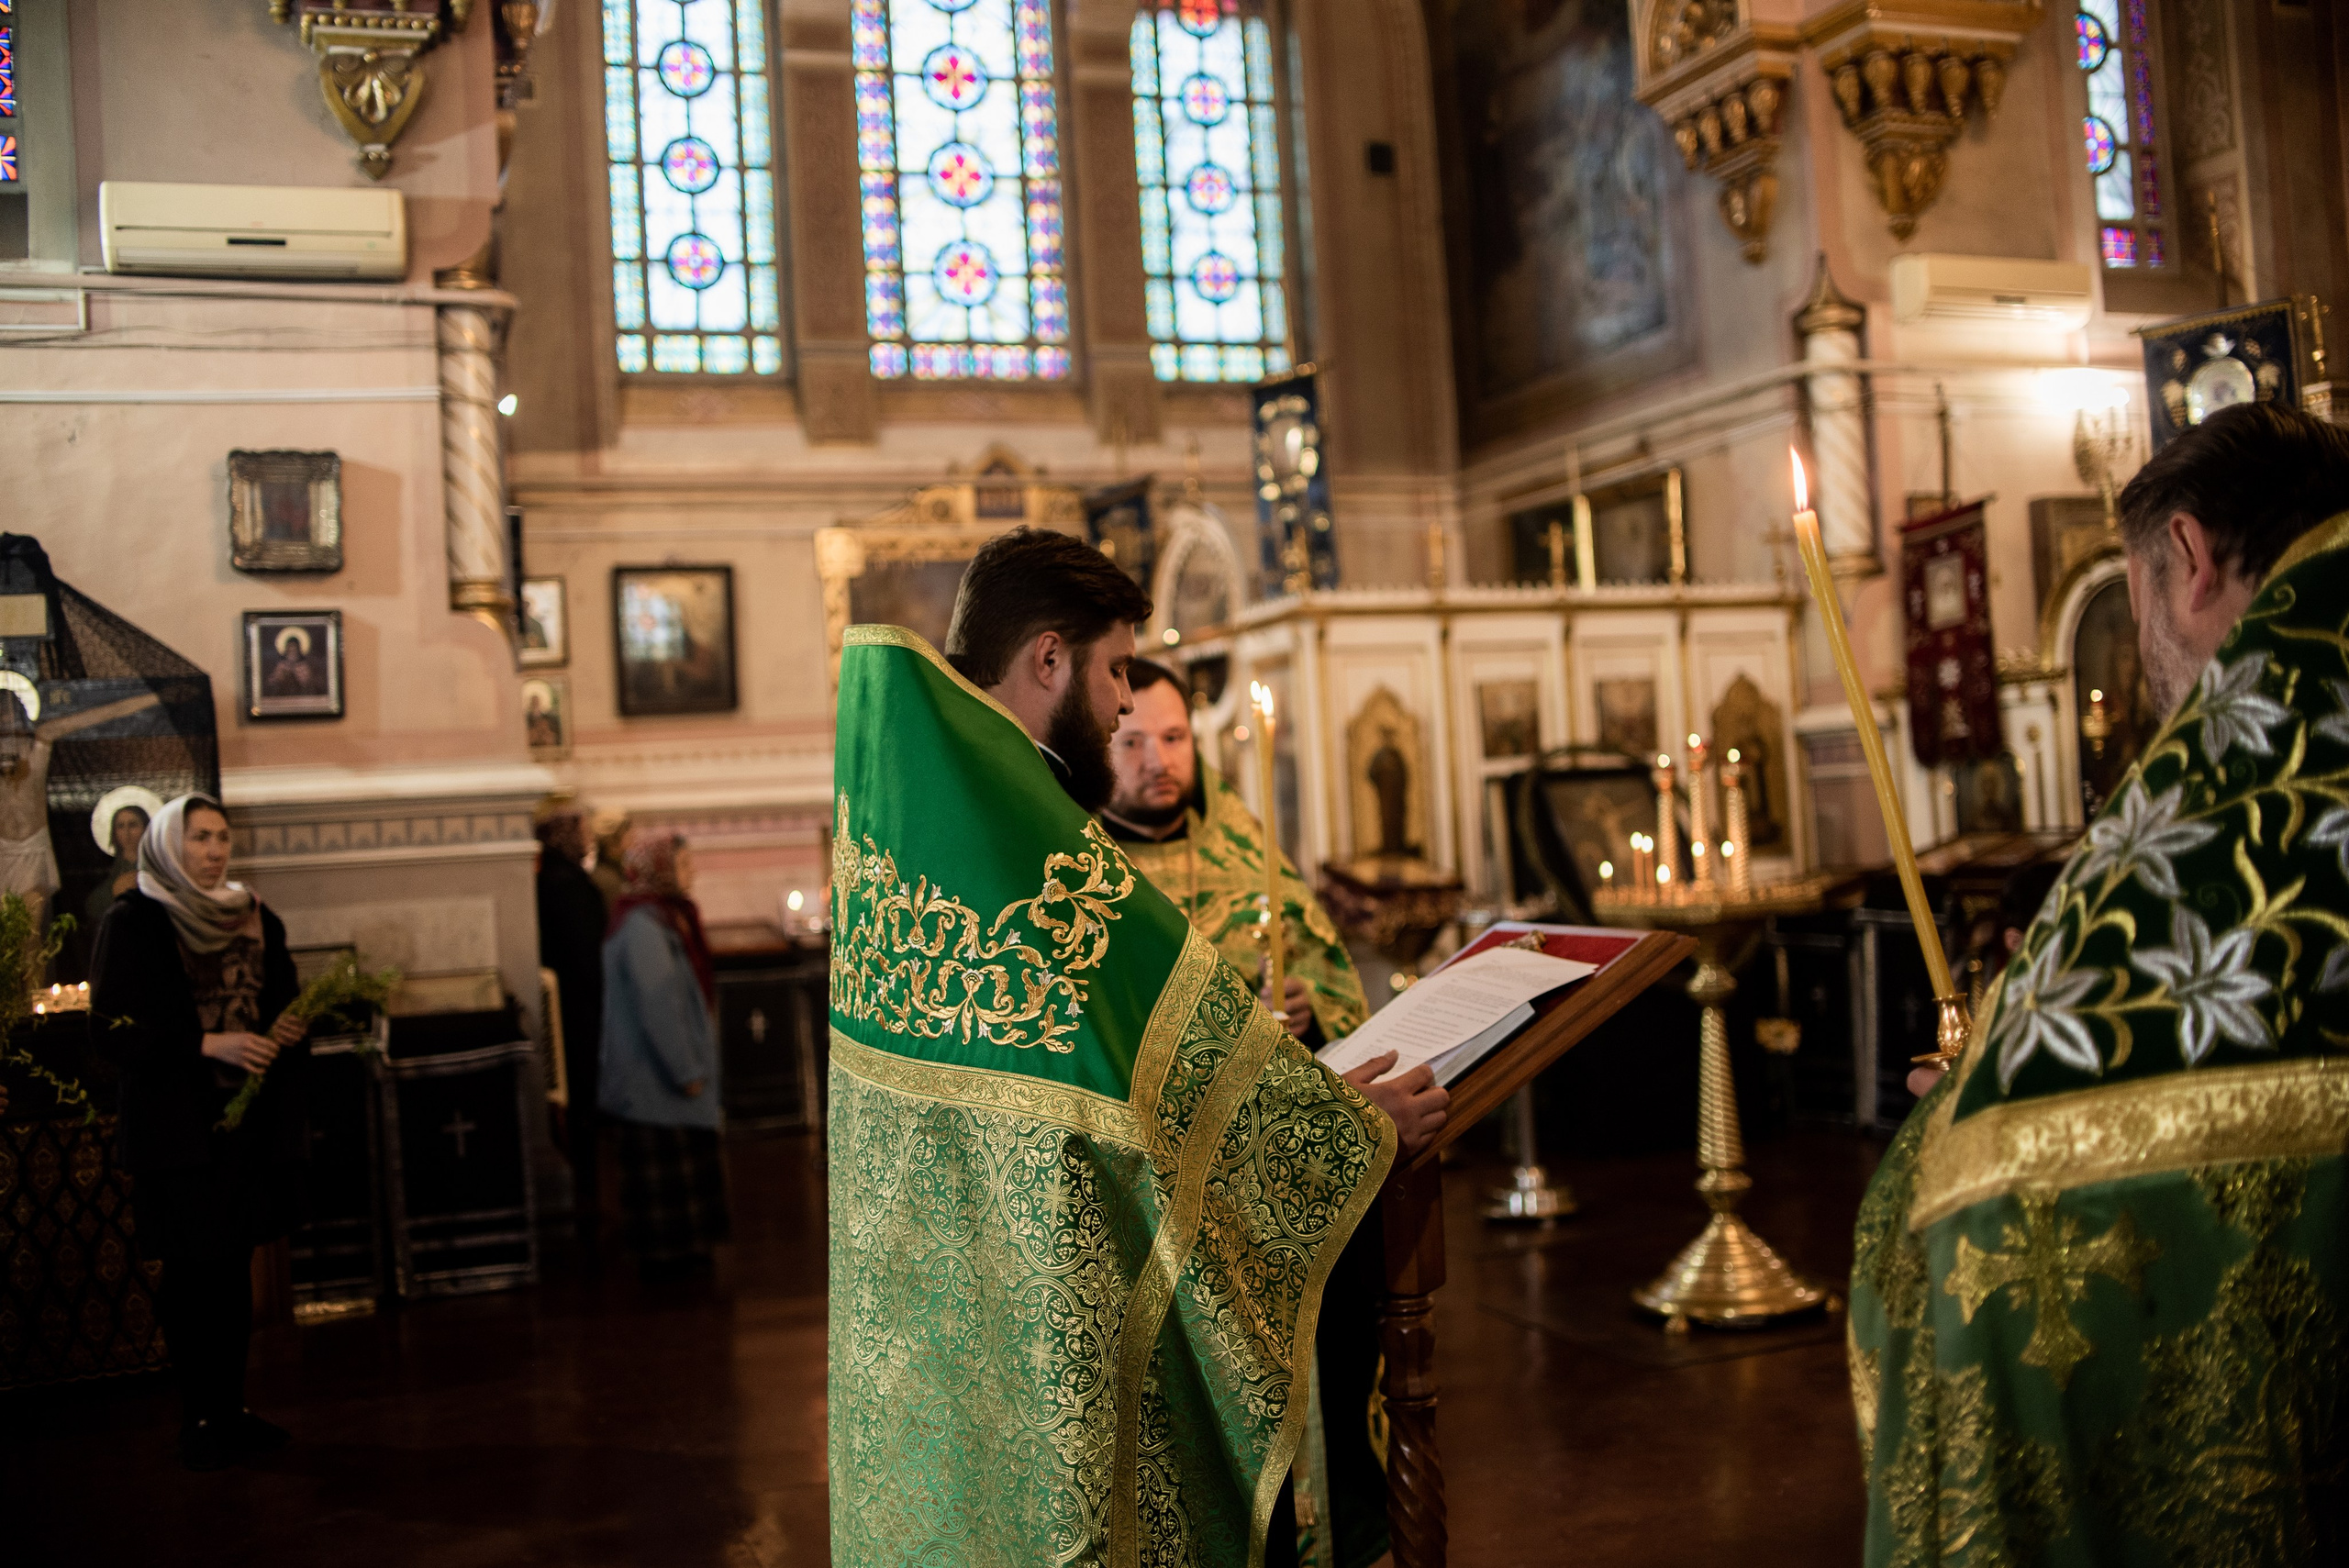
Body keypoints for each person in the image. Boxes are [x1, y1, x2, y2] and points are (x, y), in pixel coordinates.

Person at [829, 528, 1398, 1565]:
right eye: (1116, 670)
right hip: (1038, 1311)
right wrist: (1350, 1128)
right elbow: (1156, 1070)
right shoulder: (1032, 836)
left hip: (932, 1321)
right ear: (1048, 658)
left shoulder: (908, 809)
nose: (1127, 704)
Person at [1853, 401, 2349, 1564]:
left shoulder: (2235, 787)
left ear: (2185, 560)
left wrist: (1969, 1103)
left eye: (2136, 625)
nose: (2151, 677)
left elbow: (1981, 1199)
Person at [1104, 657, 1448, 1568]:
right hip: (1181, 1193)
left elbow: (1341, 1008)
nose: (1155, 760)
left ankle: (1332, 1528)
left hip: (1297, 1184)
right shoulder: (1086, 873)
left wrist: (1304, 1014)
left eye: (1173, 737)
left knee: (1329, 1361)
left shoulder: (1247, 854)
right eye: (1131, 739)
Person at [88, 795, 308, 1471]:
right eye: (199, 838)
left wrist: (290, 1030)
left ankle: (233, 1406)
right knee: (192, 1271)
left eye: (221, 837)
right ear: (165, 845)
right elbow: (115, 1030)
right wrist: (208, 1044)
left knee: (233, 1263)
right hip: (176, 1128)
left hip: (240, 1126)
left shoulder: (254, 915)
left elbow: (284, 999)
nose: (214, 851)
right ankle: (199, 1414)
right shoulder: (134, 921)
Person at [599, 829, 728, 1283]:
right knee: (669, 1188)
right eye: (684, 863)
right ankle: (673, 1262)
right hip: (655, 1084)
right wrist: (687, 1070)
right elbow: (659, 1007)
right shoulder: (644, 929)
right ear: (658, 871)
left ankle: (684, 1256)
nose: (692, 871)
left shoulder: (661, 918)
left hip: (659, 1085)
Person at [534, 802, 608, 1258]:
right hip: (581, 1012)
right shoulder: (570, 887)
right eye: (583, 829)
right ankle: (586, 1200)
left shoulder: (551, 880)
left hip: (573, 1008)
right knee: (581, 1103)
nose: (589, 837)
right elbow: (587, 957)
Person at [85, 800, 152, 933]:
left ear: (145, 828)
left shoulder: (154, 866)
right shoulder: (109, 868)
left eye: (132, 825)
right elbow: (92, 906)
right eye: (120, 826)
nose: (126, 832)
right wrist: (114, 892)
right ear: (114, 833)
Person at [589, 811, 634, 916]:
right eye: (628, 833)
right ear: (614, 840)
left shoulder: (619, 870)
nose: (632, 837)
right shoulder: (606, 878)